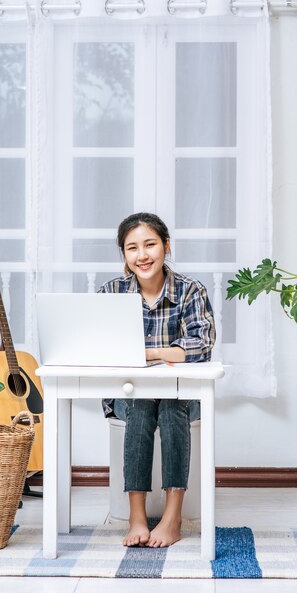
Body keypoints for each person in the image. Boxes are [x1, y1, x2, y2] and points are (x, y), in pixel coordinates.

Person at [98, 212, 215, 548]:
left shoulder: (191, 291)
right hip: (129, 396)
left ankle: (172, 516)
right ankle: (137, 514)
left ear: (166, 246)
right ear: (124, 255)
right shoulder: (111, 292)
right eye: (132, 248)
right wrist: (167, 353)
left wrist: (147, 353)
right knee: (141, 402)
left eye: (150, 244)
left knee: (171, 406)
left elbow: (202, 343)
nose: (142, 255)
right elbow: (101, 344)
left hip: (181, 398)